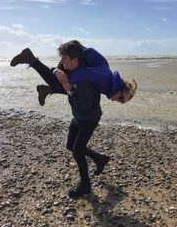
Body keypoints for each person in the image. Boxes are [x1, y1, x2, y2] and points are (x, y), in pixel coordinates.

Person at [10, 41, 111, 199]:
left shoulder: (84, 81)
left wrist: (68, 89)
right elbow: (56, 74)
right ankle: (100, 158)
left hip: (89, 118)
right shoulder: (72, 66)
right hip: (78, 116)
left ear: (75, 59)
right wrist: (57, 71)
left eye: (64, 59)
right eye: (62, 58)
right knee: (70, 145)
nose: (62, 62)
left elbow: (84, 106)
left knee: (77, 151)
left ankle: (85, 184)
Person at [11, 40, 137, 106]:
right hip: (73, 56)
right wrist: (67, 80)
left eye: (121, 102)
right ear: (119, 88)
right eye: (121, 98)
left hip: (77, 59)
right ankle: (30, 59)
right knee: (61, 84)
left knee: (74, 90)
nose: (118, 100)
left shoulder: (109, 86)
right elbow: (85, 73)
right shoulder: (105, 78)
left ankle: (48, 89)